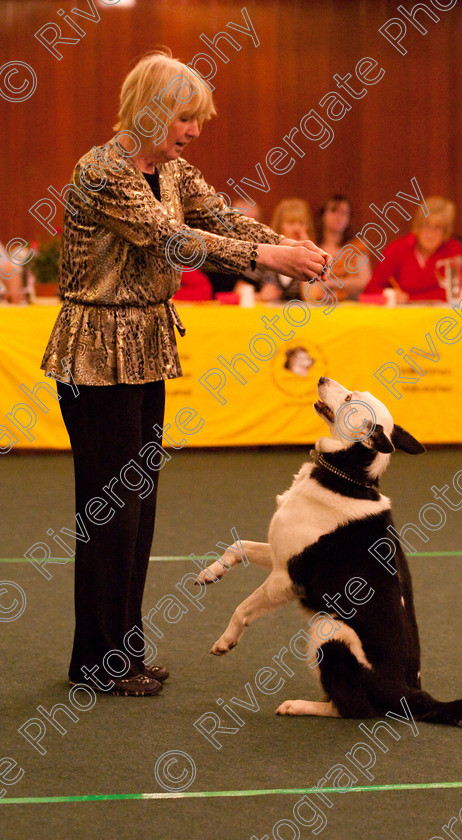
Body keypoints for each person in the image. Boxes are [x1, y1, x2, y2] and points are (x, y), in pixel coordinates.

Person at [40, 49, 327, 696]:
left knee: (137, 509)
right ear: (148, 110)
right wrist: (267, 254)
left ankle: (124, 651)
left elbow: (219, 219)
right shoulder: (100, 171)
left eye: (198, 120)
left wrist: (286, 250)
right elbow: (172, 241)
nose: (195, 131)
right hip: (96, 350)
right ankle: (98, 662)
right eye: (185, 118)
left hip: (144, 345)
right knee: (109, 512)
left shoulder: (171, 169)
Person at [363, 196, 462, 302]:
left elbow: (454, 292)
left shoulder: (452, 248)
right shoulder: (397, 249)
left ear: (446, 231)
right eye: (426, 226)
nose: (430, 233)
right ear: (418, 227)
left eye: (437, 228)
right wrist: (390, 295)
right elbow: (370, 290)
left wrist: (410, 298)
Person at [313, 194, 371, 301]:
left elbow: (364, 281)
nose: (338, 217)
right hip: (319, 306)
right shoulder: (313, 247)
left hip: (352, 306)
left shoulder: (357, 246)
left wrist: (330, 284)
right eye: (333, 211)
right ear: (323, 215)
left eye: (344, 213)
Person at [259, 198, 315, 301]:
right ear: (280, 226)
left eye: (301, 223)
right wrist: (260, 297)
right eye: (291, 223)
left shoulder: (317, 257)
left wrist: (308, 250)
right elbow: (241, 291)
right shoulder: (264, 252)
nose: (297, 229)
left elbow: (313, 297)